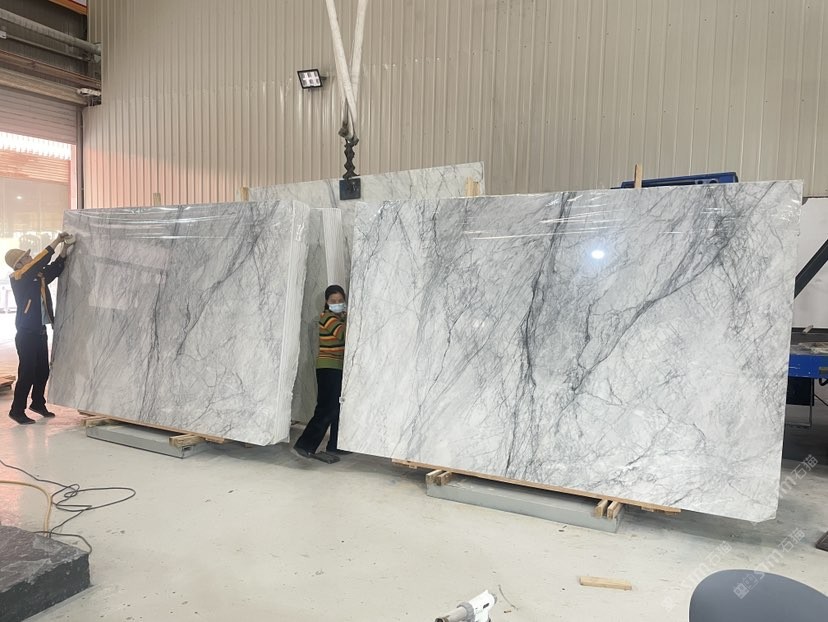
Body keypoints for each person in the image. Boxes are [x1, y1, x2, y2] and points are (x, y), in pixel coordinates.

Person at [6, 232, 72, 424]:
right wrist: (57, 241)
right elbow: (39, 262)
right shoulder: (18, 277)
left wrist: (65, 249)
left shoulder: (35, 277)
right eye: (26, 257)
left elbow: (53, 269)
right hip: (26, 334)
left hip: (40, 332)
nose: (30, 257)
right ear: (18, 264)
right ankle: (17, 410)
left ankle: (37, 403)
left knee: (42, 370)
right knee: (27, 372)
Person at [294, 284, 351, 463]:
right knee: (327, 407)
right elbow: (342, 334)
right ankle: (305, 444)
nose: (337, 303)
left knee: (337, 407)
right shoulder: (327, 318)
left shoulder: (340, 318)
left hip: (338, 367)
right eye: (333, 301)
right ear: (327, 302)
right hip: (328, 368)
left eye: (340, 300)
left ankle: (335, 445)